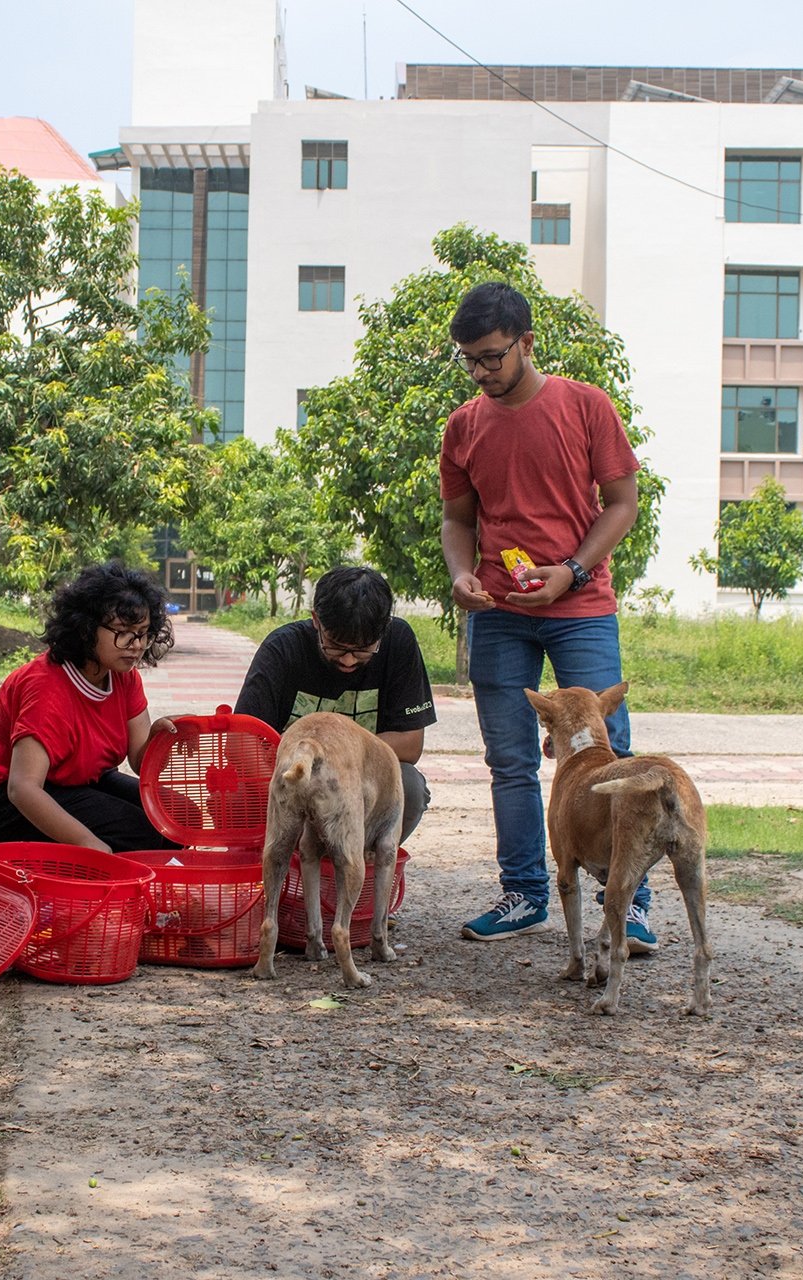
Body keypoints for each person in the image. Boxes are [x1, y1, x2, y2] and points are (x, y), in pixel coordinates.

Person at [439, 280, 658, 952]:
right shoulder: (464, 427)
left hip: (582, 606)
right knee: (509, 758)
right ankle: (525, 894)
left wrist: (574, 571)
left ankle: (630, 900)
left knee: (607, 749)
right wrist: (461, 577)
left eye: (492, 357)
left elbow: (623, 502)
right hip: (500, 612)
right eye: (469, 360)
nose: (480, 372)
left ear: (527, 344)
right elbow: (457, 519)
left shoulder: (587, 407)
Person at [0, 562, 178, 853]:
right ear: (86, 628)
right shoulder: (47, 686)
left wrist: (160, 737)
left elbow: (140, 761)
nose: (136, 645)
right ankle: (101, 890)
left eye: (142, 633)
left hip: (72, 780)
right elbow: (22, 788)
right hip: (0, 799)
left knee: (175, 816)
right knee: (138, 832)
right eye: (123, 632)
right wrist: (88, 843)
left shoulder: (123, 675)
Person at [233, 566, 437, 841]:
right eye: (336, 646)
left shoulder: (398, 642)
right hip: (292, 780)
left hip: (359, 786)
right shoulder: (283, 648)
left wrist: (337, 768)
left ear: (383, 630)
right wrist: (291, 795)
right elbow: (239, 745)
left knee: (410, 786)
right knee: (232, 796)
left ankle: (357, 860)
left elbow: (410, 743)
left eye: (363, 649)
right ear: (316, 620)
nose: (348, 660)